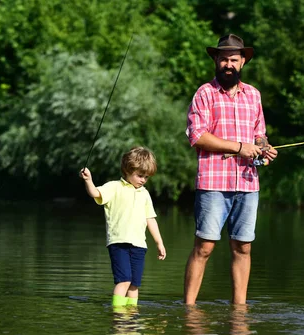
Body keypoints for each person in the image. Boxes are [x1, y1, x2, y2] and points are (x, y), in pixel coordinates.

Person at [184, 34, 278, 305]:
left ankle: (240, 309)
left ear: (243, 62)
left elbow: (259, 135)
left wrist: (264, 149)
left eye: (234, 60)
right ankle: (188, 309)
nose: (228, 64)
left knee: (243, 247)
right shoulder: (205, 93)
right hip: (213, 182)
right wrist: (239, 147)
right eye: (223, 59)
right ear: (215, 60)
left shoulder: (254, 95)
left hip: (248, 184)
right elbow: (197, 136)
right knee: (204, 247)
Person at [80, 146, 166, 308]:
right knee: (124, 280)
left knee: (134, 284)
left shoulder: (145, 194)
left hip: (139, 245)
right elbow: (95, 194)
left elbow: (151, 219)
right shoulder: (114, 187)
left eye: (146, 177)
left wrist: (159, 243)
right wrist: (88, 180)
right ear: (127, 170)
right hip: (119, 242)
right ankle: (118, 313)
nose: (143, 180)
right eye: (140, 175)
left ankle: (131, 314)